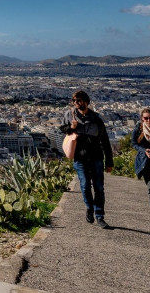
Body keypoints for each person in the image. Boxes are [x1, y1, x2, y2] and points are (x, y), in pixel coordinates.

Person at [63, 90, 113, 228]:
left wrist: (109, 162)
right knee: (85, 185)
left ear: (86, 102)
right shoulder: (69, 115)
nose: (76, 103)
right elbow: (63, 130)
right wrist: (71, 127)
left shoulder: (96, 119)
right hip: (80, 156)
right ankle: (89, 207)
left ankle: (100, 216)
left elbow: (105, 141)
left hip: (96, 156)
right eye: (74, 100)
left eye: (78, 100)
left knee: (99, 187)